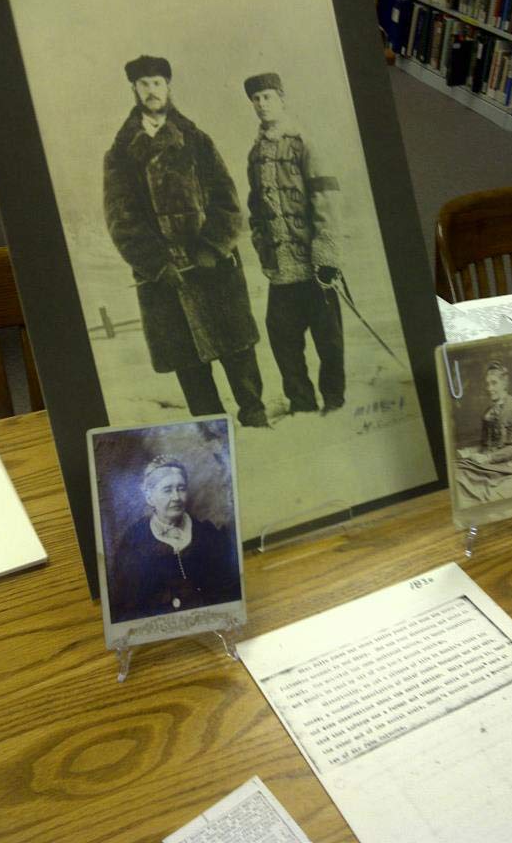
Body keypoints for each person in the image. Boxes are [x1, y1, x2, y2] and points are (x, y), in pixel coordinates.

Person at [104, 55, 268, 427]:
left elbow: (227, 200)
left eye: (157, 83)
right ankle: (212, 428)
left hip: (212, 263)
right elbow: (120, 218)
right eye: (144, 84)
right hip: (164, 274)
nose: (151, 91)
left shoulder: (195, 140)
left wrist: (211, 247)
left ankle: (255, 416)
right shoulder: (120, 153)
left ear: (168, 87)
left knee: (237, 347)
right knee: (187, 358)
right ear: (134, 90)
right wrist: (157, 263)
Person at [243, 72, 345, 415]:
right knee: (283, 340)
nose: (262, 104)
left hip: (314, 264)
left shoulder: (304, 143)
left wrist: (326, 255)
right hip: (281, 269)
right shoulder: (255, 155)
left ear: (282, 98)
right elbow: (255, 209)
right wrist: (262, 246)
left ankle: (334, 401)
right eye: (256, 99)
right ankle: (301, 405)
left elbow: (326, 197)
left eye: (268, 97)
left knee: (329, 341)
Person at [108, 455, 241, 623]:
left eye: (181, 488)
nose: (176, 497)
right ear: (150, 497)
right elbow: (127, 607)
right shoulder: (134, 543)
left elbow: (229, 592)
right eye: (167, 490)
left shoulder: (208, 535)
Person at [454, 360, 512, 505]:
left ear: (504, 383)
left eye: (494, 383)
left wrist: (487, 458)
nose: (489, 388)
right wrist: (467, 452)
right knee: (458, 472)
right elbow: (485, 445)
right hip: (492, 462)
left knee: (492, 494)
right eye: (487, 384)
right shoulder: (488, 412)